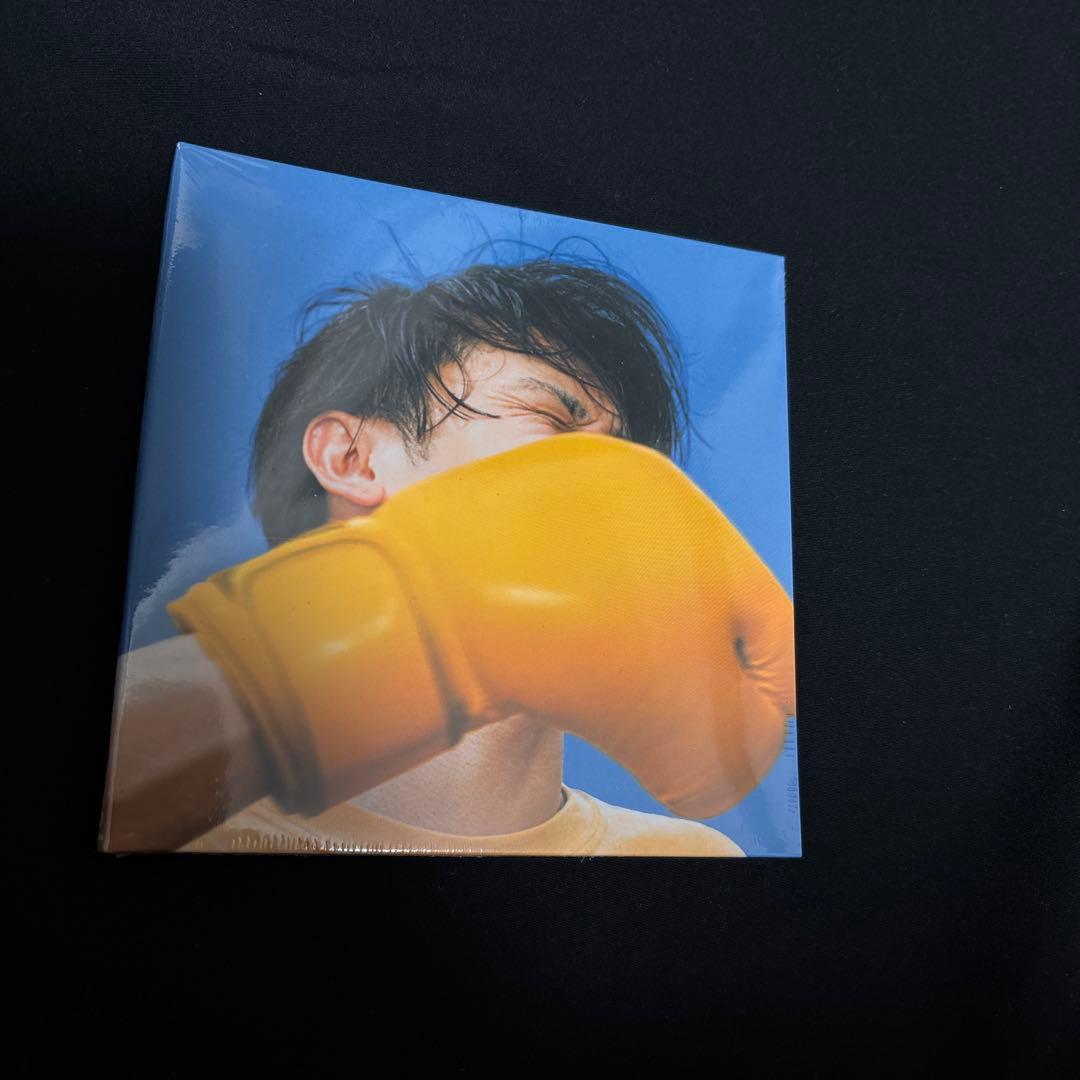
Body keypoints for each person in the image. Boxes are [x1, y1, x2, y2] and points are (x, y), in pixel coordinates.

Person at [100, 257, 793, 856]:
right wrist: (422, 620)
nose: (618, 489)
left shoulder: (689, 858)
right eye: (558, 424)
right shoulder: (162, 829)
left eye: (635, 465)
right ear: (351, 457)